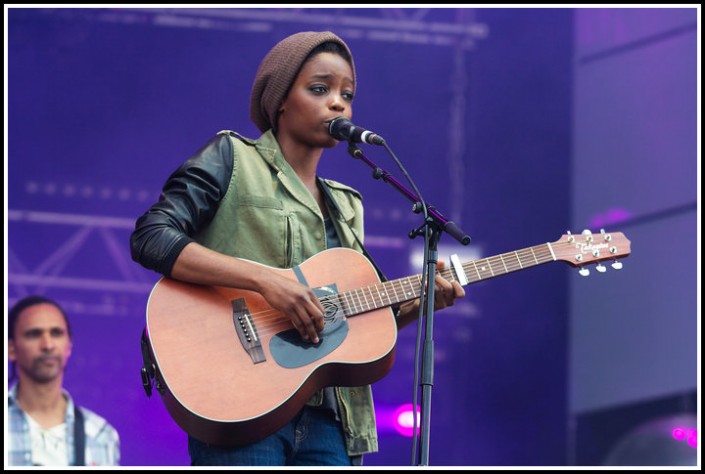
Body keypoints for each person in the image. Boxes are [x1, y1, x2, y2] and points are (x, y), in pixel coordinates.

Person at [129, 30, 465, 466]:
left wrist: (423, 303)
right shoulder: (232, 156)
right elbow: (151, 236)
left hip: (331, 420)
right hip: (243, 403)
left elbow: (356, 322)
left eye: (347, 94)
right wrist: (266, 281)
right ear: (281, 99)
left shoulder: (347, 204)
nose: (339, 103)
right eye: (320, 89)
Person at [6, 295, 121, 466]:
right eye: (34, 334)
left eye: (56, 333)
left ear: (69, 346)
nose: (48, 345)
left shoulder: (100, 434)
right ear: (11, 349)